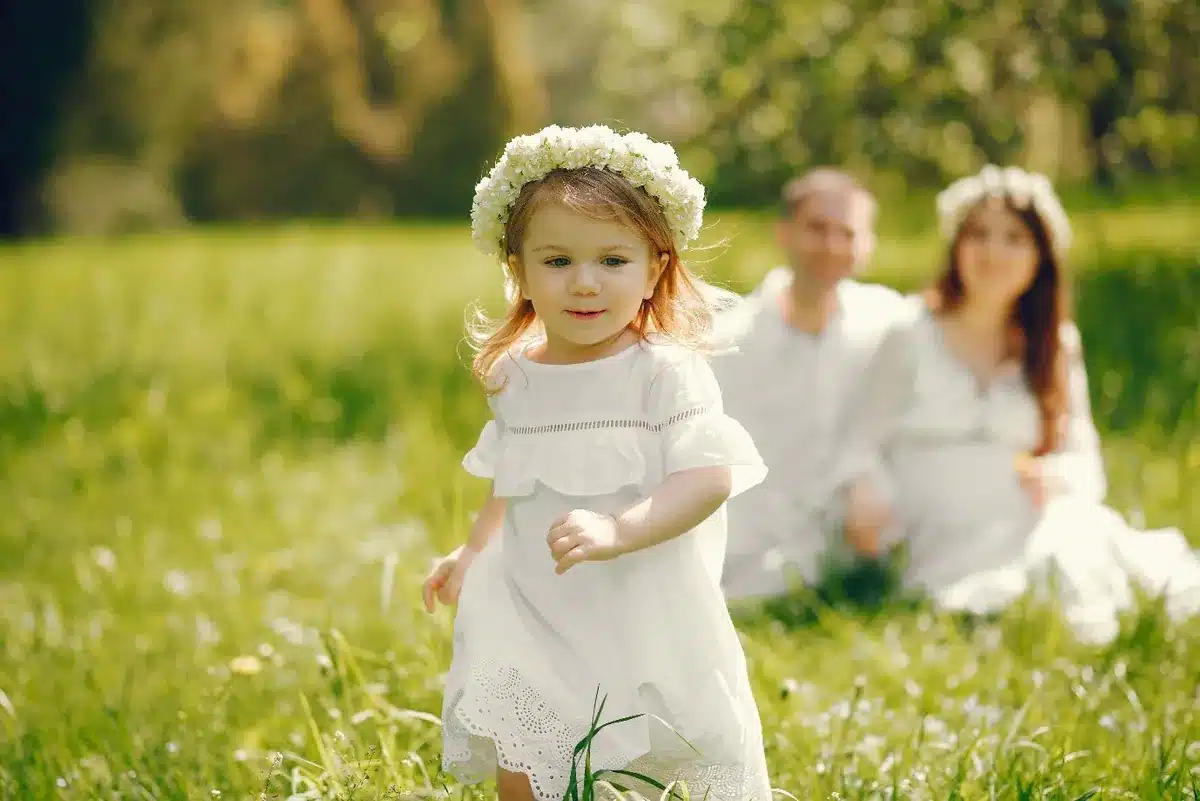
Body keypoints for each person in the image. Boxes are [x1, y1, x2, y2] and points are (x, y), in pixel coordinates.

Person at [421, 125, 773, 801]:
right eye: (557, 261)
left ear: (654, 270)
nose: (585, 283)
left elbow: (708, 474)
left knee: (662, 749)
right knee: (523, 746)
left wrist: (620, 530)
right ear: (518, 271)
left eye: (613, 260)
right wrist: (471, 553)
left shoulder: (663, 373)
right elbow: (512, 482)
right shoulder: (515, 377)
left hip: (638, 603)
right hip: (532, 603)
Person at [840, 164, 1200, 645]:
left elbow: (1083, 459)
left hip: (1023, 516)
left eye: (1013, 238)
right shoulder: (910, 333)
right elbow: (859, 439)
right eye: (979, 235)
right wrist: (866, 490)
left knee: (1073, 549)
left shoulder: (1054, 345)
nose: (993, 251)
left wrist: (1055, 476)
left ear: (1039, 258)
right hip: (937, 535)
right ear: (956, 248)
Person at [711, 167, 916, 603]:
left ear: (869, 244)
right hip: (753, 529)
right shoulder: (727, 340)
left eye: (848, 233)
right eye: (817, 229)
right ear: (784, 233)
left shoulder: (890, 323)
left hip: (856, 525)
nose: (832, 246)